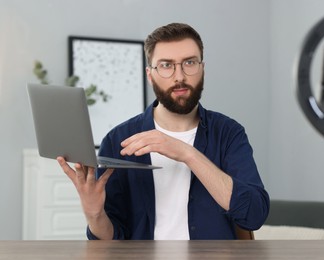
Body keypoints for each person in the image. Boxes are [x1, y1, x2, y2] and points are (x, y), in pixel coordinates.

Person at [57, 22, 269, 240]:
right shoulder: (118, 140)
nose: (179, 76)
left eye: (189, 62)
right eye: (166, 65)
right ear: (150, 75)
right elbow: (113, 239)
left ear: (202, 68)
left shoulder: (229, 133)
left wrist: (187, 154)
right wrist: (95, 215)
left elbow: (254, 215)